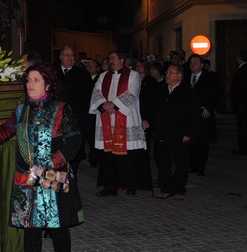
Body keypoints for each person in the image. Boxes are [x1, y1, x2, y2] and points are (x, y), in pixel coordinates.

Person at [0, 63, 84, 252]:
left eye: (36, 80)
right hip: (27, 179)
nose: (30, 84)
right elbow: (2, 132)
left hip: (52, 176)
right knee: (30, 229)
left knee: (57, 227)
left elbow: (74, 140)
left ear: (47, 84)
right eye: (28, 80)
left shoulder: (60, 109)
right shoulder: (22, 110)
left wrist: (52, 163)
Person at [89, 51, 150, 196]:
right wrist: (104, 105)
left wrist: (114, 105)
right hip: (106, 119)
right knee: (108, 156)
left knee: (128, 155)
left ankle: (130, 184)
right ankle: (110, 186)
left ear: (122, 60)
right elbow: (96, 92)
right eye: (109, 58)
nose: (110, 61)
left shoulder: (133, 75)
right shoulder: (103, 76)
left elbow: (132, 93)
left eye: (113, 58)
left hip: (126, 120)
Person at [143, 64, 200, 200]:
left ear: (179, 76)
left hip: (180, 134)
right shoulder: (161, 90)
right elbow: (151, 108)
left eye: (171, 73)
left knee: (181, 163)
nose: (167, 75)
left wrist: (189, 133)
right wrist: (147, 120)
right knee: (163, 162)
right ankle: (166, 187)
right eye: (167, 72)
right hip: (162, 133)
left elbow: (193, 115)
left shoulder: (187, 92)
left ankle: (179, 188)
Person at [56, 46, 93, 177]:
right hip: (56, 118)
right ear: (61, 57)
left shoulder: (82, 74)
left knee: (73, 150)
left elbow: (87, 97)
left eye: (72, 56)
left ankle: (72, 177)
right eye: (67, 55)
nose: (70, 58)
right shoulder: (54, 72)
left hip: (75, 118)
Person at [186, 54, 221, 175]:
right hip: (190, 115)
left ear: (201, 65)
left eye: (195, 63)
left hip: (203, 114)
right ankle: (193, 166)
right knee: (191, 141)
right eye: (191, 63)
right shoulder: (186, 77)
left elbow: (216, 94)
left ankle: (201, 168)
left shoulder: (210, 77)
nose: (192, 65)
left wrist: (209, 108)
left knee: (203, 142)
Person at [230, 49, 247, 156]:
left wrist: (238, 103)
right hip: (243, 104)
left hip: (242, 105)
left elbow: (240, 89)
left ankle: (243, 149)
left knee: (242, 127)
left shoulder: (242, 71)